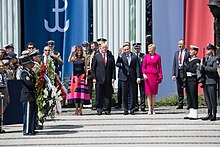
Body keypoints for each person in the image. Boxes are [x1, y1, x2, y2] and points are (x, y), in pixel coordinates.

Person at [116, 42, 141, 115]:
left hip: (132, 77)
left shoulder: (134, 56)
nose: (126, 51)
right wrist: (120, 57)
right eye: (125, 50)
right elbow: (117, 63)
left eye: (127, 49)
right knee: (124, 94)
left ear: (130, 49)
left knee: (132, 94)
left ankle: (132, 109)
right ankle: (125, 109)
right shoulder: (122, 56)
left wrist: (138, 77)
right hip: (124, 77)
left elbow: (137, 67)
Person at [92, 43, 116, 115]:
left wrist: (113, 77)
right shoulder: (96, 56)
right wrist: (94, 77)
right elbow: (93, 68)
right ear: (100, 48)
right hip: (99, 78)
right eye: (103, 47)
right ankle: (99, 109)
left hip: (108, 79)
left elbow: (113, 68)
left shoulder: (110, 56)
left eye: (105, 47)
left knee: (107, 95)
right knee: (99, 95)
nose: (104, 49)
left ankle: (107, 109)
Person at [67, 46, 90, 115]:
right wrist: (72, 52)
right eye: (78, 50)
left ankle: (80, 109)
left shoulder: (84, 58)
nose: (79, 52)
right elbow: (69, 60)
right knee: (76, 94)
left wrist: (86, 78)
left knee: (81, 94)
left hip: (82, 76)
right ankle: (76, 109)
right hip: (75, 77)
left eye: (80, 50)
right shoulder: (74, 58)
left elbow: (86, 69)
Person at [142, 44, 163, 114]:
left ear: (154, 49)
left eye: (150, 49)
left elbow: (159, 67)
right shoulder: (146, 56)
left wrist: (160, 75)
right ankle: (149, 109)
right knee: (148, 93)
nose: (149, 51)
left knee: (153, 93)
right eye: (148, 49)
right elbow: (143, 66)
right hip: (147, 76)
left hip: (154, 75)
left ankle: (153, 109)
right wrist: (144, 74)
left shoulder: (158, 56)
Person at [19, 53, 37, 135]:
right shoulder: (24, 73)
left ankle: (31, 128)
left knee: (32, 113)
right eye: (30, 63)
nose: (31, 64)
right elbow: (29, 83)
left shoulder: (31, 72)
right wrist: (36, 87)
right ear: (26, 64)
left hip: (32, 95)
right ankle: (26, 130)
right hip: (27, 95)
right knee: (27, 114)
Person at [200, 44, 219, 121]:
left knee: (212, 98)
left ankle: (214, 114)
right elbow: (201, 68)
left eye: (208, 49)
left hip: (212, 81)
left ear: (212, 50)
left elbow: (214, 69)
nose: (207, 51)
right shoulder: (204, 59)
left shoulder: (215, 59)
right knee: (207, 98)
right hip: (205, 81)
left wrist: (205, 68)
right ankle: (209, 113)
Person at [183, 45, 200, 120]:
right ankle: (191, 112)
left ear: (195, 52)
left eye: (192, 50)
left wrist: (187, 67)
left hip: (193, 79)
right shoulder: (189, 60)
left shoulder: (197, 61)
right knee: (189, 95)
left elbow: (194, 70)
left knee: (193, 95)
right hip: (188, 79)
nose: (190, 51)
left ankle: (195, 113)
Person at [172, 39, 190, 109]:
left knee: (187, 89)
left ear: (184, 44)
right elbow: (174, 64)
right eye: (179, 44)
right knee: (179, 89)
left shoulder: (188, 52)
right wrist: (173, 74)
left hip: (185, 73)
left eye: (181, 44)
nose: (179, 45)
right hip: (178, 72)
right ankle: (180, 104)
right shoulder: (176, 53)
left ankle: (189, 104)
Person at [133, 43, 146, 111]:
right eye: (135, 48)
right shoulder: (132, 56)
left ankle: (143, 105)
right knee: (134, 91)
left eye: (138, 48)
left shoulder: (143, 56)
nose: (136, 50)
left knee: (142, 92)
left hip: (141, 76)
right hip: (134, 76)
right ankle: (135, 105)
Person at [0, 60, 10, 133]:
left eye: (2, 66)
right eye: (0, 66)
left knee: (3, 108)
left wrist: (8, 95)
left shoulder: (5, 73)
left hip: (5, 90)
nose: (1, 67)